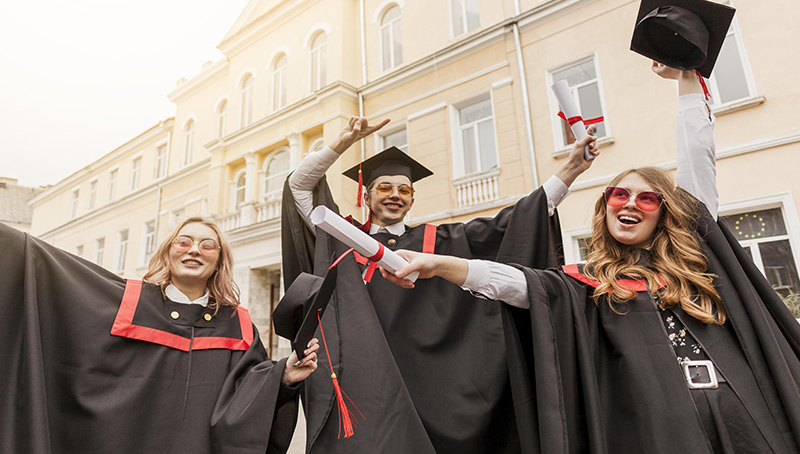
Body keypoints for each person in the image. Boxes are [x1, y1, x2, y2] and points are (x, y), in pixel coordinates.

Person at [381, 65, 800, 453]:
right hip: (660, 432)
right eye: (619, 194)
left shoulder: (697, 260)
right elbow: (515, 283)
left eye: (647, 197)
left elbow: (697, 163)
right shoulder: (588, 282)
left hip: (743, 413)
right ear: (607, 207)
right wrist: (439, 264)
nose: (630, 203)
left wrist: (686, 78)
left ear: (665, 211)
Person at [280, 115, 599, 453]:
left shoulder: (441, 240)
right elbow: (300, 185)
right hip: (362, 382)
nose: (395, 196)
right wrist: (341, 142)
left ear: (412, 200)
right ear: (366, 194)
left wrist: (571, 170)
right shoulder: (342, 236)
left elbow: (513, 222)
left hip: (430, 386)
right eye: (385, 188)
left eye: (404, 190)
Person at [0, 216, 319, 454]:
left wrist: (284, 375)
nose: (194, 250)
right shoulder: (127, 301)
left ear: (218, 260)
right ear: (168, 252)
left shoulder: (237, 324)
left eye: (207, 245)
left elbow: (250, 391)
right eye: (184, 242)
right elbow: (54, 273)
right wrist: (12, 245)